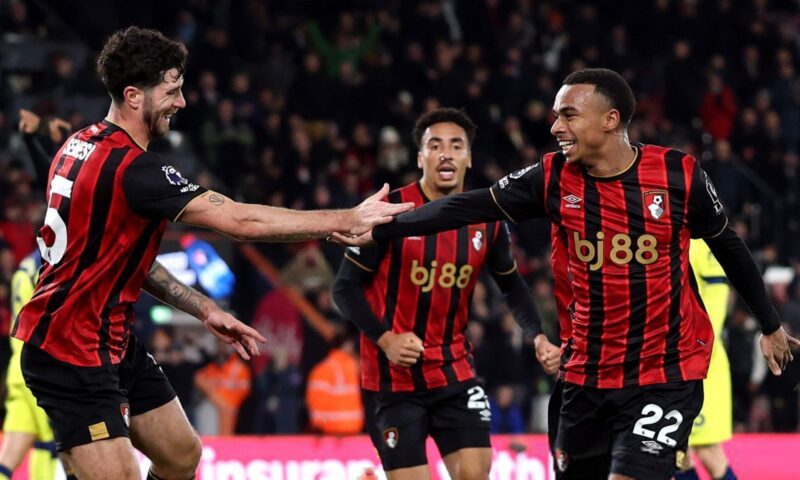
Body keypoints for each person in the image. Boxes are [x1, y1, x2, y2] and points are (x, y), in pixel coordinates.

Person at [335, 68, 798, 480]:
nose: (556, 126)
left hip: (664, 372)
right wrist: (379, 226)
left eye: (569, 115)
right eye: (557, 115)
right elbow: (468, 206)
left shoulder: (679, 174)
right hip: (585, 375)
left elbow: (728, 245)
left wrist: (769, 323)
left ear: (610, 120)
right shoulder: (551, 177)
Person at [13, 26, 411, 480]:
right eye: (171, 91)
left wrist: (203, 308)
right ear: (133, 96)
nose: (182, 102)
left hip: (111, 341)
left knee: (182, 455)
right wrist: (347, 219)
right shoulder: (136, 171)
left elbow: (120, 258)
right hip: (69, 351)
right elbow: (242, 220)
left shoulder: (78, 143)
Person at [332, 108, 558, 480]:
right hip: (393, 378)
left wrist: (537, 336)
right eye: (435, 146)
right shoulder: (388, 213)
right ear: (420, 157)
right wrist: (386, 339)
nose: (445, 154)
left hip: (454, 372)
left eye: (456, 146)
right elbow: (343, 288)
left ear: (468, 158)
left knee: (475, 473)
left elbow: (512, 285)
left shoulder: (487, 219)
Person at [675, 240, 736, 480]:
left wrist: (697, 346)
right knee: (675, 450)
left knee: (707, 451)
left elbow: (717, 302)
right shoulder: (663, 238)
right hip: (671, 364)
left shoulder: (702, 243)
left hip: (700, 365)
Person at [2, 252, 59, 480]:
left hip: (17, 367)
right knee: (51, 443)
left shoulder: (26, 264)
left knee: (12, 451)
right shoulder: (49, 264)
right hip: (37, 369)